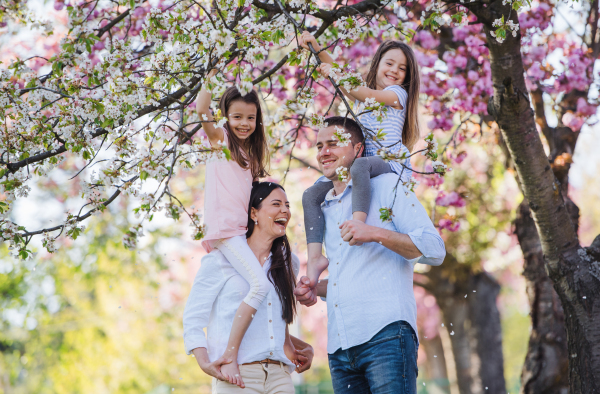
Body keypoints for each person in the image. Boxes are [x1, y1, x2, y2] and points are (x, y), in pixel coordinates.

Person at [294, 117, 446, 394]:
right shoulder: (323, 206)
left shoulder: (387, 185)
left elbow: (435, 250)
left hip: (386, 335)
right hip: (340, 347)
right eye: (319, 146)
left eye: (334, 144)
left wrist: (375, 232)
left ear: (358, 150)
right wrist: (315, 288)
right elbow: (348, 275)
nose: (324, 152)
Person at [298, 33, 423, 290]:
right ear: (376, 65)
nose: (395, 71)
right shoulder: (365, 96)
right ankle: (315, 256)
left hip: (389, 162)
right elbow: (348, 83)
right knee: (312, 194)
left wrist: (334, 73)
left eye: (402, 69)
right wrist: (318, 48)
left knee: (359, 166)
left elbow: (357, 90)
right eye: (389, 63)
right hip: (363, 164)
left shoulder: (397, 94)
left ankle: (358, 222)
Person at [183, 182, 314, 393]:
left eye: (287, 205)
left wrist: (303, 347)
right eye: (276, 204)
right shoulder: (220, 260)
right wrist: (204, 362)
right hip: (237, 377)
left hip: (280, 375)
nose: (285, 211)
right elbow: (193, 319)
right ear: (254, 213)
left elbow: (273, 321)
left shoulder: (290, 263)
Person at [196, 72, 274, 386]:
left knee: (242, 290)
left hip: (238, 233)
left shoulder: (248, 155)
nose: (244, 123)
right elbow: (202, 113)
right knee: (259, 286)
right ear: (226, 118)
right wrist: (209, 75)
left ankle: (238, 351)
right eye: (237, 116)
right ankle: (230, 353)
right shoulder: (222, 143)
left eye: (250, 118)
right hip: (226, 231)